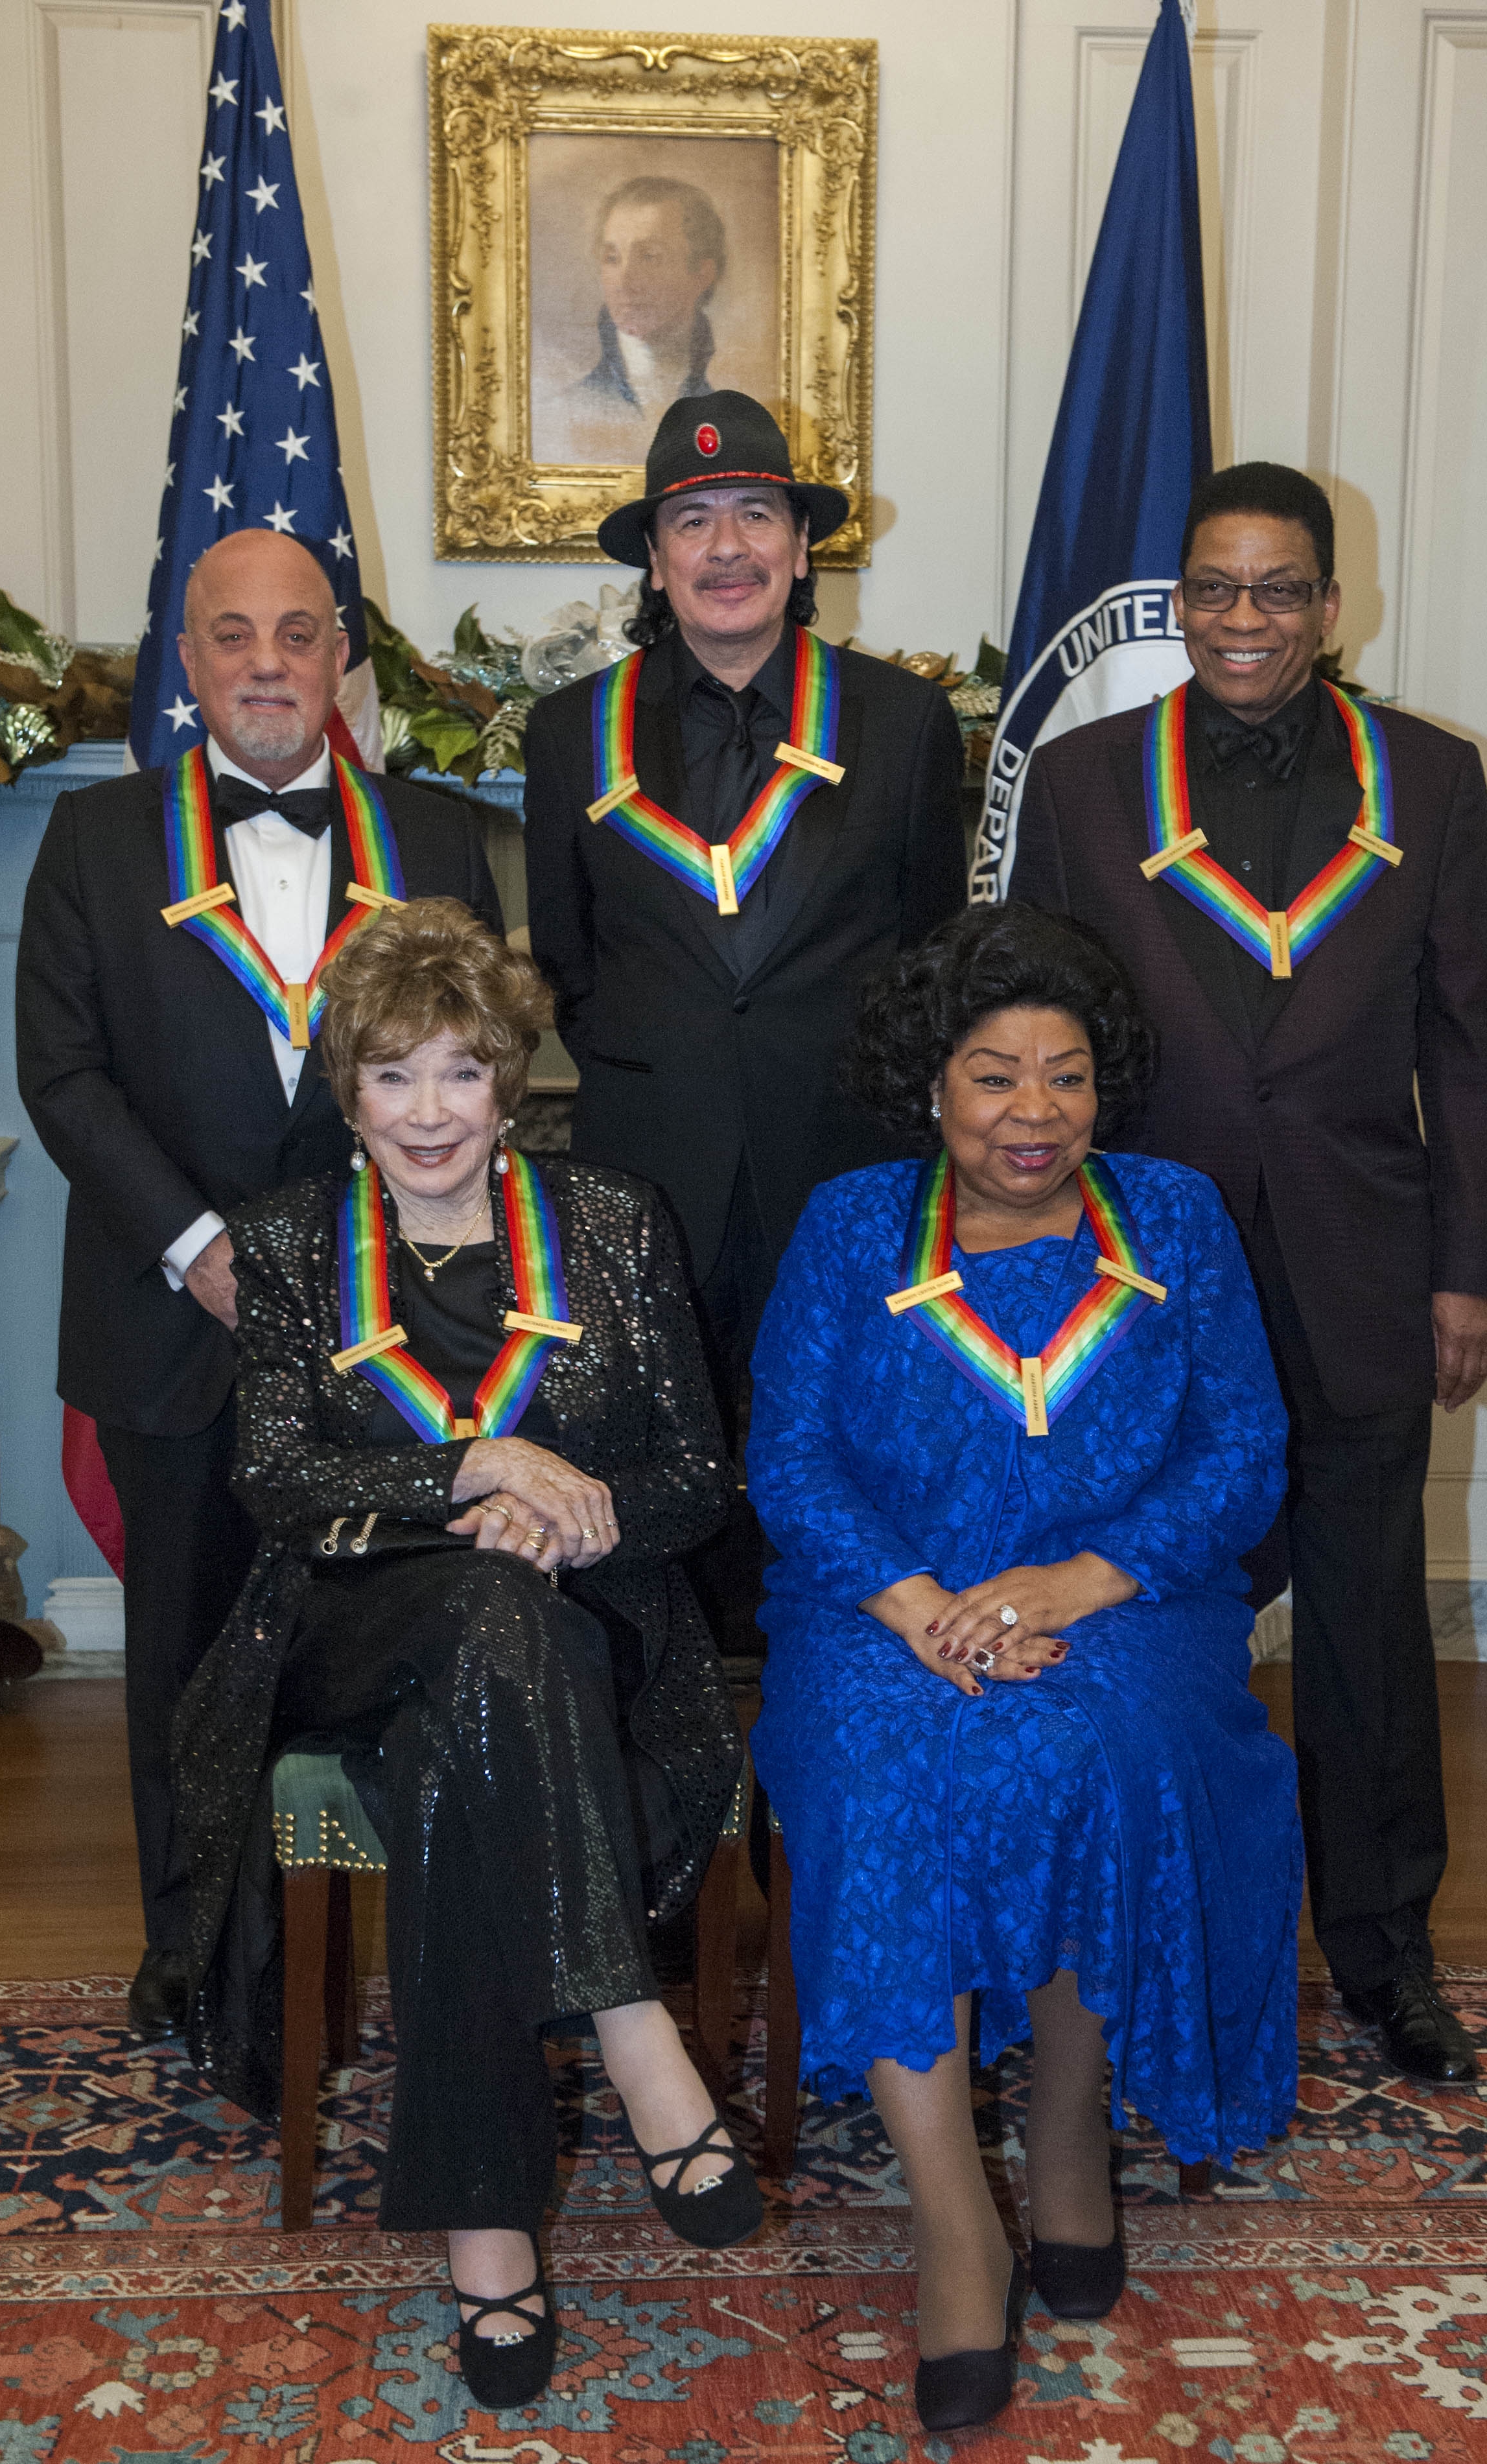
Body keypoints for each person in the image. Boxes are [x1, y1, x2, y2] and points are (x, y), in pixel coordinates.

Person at [171, 898, 756, 2410]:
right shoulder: (293, 1244)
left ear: (505, 1079)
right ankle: (635, 2031)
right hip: (349, 1621)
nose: (429, 1113)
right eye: (391, 1076)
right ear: (347, 1090)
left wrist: (577, 1524)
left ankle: (487, 2233)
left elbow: (697, 1479)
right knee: (483, 1627)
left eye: (459, 1071)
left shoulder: (617, 1224)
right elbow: (280, 1484)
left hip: (581, 1629)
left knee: (471, 1726)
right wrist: (475, 1466)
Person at [747, 904, 1301, 2437]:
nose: (1032, 1114)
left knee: (1089, 1755)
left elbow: (1243, 1452)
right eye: (993, 1076)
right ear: (930, 1087)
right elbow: (787, 1460)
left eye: (1064, 1076)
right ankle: (951, 2223)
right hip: (879, 1612)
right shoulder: (851, 1224)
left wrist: (1075, 1578)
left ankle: (1064, 2139)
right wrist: (918, 1606)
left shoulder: (1174, 1218)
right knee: (891, 1777)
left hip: (1128, 1603)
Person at [1005, 461, 1487, 2087]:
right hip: (1135, 1278)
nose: (1242, 620)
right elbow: (1023, 1031)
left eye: (1276, 590)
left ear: (1326, 607)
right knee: (1141, 1601)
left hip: (1365, 1259)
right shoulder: (1086, 782)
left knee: (1367, 1616)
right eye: (1213, 591)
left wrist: (1467, 1268)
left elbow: (1474, 1043)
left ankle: (1383, 1955)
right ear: (1174, 605)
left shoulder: (1430, 782)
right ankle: (1121, 1939)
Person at [15, 529, 504, 2046]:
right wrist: (199, 1247)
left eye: (299, 634)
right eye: (235, 637)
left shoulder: (429, 834)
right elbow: (65, 1074)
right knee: (182, 1663)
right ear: (189, 659)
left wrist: (356, 1262)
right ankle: (198, 1977)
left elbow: (458, 1080)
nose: (270, 665)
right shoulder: (96, 840)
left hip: (387, 1336)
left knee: (381, 1645)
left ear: (339, 654)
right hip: (171, 1323)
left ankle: (410, 1971)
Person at [525, 390, 967, 1628]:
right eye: (695, 521)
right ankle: (678, 1742)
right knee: (649, 1462)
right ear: (654, 563)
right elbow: (562, 960)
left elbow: (932, 959)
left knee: (844, 1460)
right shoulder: (569, 734)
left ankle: (832, 1721)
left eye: (755, 514)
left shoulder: (904, 723)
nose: (727, 547)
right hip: (646, 1170)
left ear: (799, 543)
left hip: (845, 1166)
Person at [579, 176, 723, 424]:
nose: (623, 282)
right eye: (612, 258)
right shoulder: (569, 409)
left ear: (702, 274)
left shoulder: (733, 409)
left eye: (649, 257)